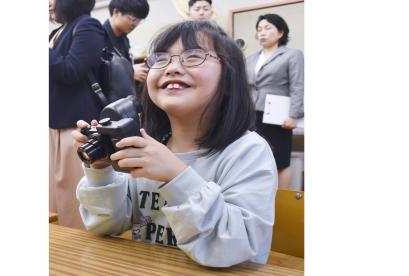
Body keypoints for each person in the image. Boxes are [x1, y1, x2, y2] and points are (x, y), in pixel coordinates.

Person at [73, 21, 278, 267]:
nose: (172, 67)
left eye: (193, 56)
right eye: (160, 59)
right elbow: (106, 225)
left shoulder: (247, 151)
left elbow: (234, 248)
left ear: (228, 79)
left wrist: (175, 175)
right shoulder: (147, 143)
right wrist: (101, 171)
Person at [49, 0, 107, 229]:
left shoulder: (88, 25)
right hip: (53, 122)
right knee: (53, 193)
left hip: (75, 125)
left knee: (72, 194)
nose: (49, 4)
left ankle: (77, 251)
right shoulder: (57, 31)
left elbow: (72, 70)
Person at [246, 14, 304, 190]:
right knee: (255, 159)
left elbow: (298, 85)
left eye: (267, 28)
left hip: (278, 116)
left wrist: (293, 115)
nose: (262, 32)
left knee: (280, 160)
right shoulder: (250, 58)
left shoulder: (292, 54)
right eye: (259, 29)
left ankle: (280, 203)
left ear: (281, 32)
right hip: (251, 114)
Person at [104, 0, 150, 83]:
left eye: (140, 20)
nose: (135, 24)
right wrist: (130, 72)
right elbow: (99, 72)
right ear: (116, 12)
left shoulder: (124, 38)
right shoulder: (99, 37)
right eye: (133, 19)